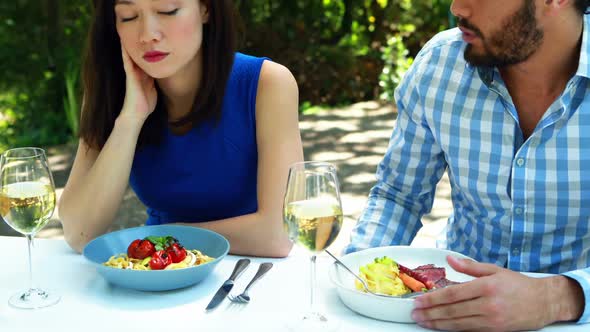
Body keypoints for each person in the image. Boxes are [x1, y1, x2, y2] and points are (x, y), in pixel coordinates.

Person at [345, 0, 590, 330]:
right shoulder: (440, 64)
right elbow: (398, 196)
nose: (456, 6)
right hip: (451, 311)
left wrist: (556, 297)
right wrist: (351, 275)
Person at [58, 0, 303, 258]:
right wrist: (130, 119)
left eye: (167, 10)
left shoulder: (267, 84)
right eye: (128, 16)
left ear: (205, 9)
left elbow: (279, 234)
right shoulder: (110, 93)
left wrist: (164, 236)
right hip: (160, 272)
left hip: (250, 270)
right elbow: (78, 233)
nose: (148, 34)